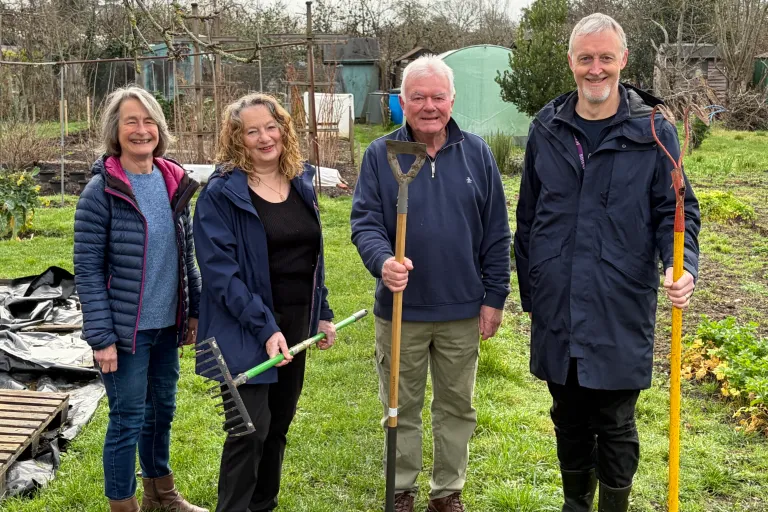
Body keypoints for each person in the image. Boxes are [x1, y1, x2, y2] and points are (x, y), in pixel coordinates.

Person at [514, 13, 701, 512]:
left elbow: (677, 211)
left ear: (623, 61)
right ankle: (576, 504)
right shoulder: (547, 128)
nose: (595, 69)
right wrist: (533, 295)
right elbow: (528, 217)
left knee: (615, 423)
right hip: (556, 305)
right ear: (571, 62)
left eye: (605, 58)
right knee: (568, 417)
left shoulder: (655, 131)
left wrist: (681, 266)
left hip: (619, 303)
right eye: (585, 58)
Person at [351, 55, 512, 512]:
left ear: (452, 99)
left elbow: (497, 232)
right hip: (402, 308)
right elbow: (364, 223)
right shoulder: (380, 155)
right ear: (402, 101)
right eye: (417, 97)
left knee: (457, 406)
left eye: (437, 96)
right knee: (400, 406)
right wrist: (383, 261)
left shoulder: (477, 153)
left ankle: (447, 492)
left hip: (462, 309)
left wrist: (495, 297)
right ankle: (401, 488)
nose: (428, 106)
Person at [193, 92, 337, 512]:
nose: (263, 137)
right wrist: (264, 327)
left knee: (277, 426)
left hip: (293, 323)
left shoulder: (300, 181)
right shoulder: (221, 194)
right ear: (237, 138)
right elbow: (221, 274)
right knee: (248, 430)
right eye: (251, 131)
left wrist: (321, 313)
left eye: (270, 127)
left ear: (283, 130)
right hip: (243, 326)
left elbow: (312, 258)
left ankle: (264, 505)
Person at [73, 85, 205, 512]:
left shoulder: (173, 182)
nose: (141, 129)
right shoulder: (101, 191)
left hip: (167, 325)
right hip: (125, 332)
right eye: (131, 121)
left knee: (160, 412)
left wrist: (194, 311)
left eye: (148, 121)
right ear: (116, 130)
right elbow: (88, 271)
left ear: (159, 130)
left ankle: (161, 495)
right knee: (127, 419)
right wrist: (101, 338)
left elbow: (185, 254)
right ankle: (123, 506)